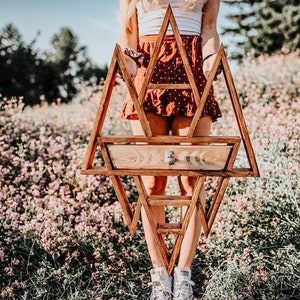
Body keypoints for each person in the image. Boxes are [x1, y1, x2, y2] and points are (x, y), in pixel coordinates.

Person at [118, 0, 221, 299]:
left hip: (191, 70)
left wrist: (210, 57)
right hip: (148, 73)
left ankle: (184, 275)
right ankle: (160, 276)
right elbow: (128, 37)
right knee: (152, 181)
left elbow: (210, 28)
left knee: (192, 178)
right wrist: (124, 68)